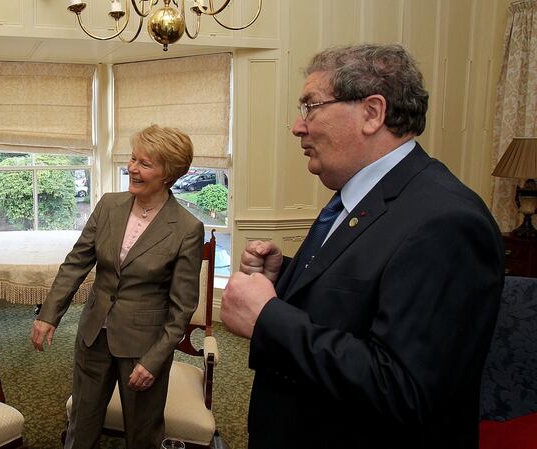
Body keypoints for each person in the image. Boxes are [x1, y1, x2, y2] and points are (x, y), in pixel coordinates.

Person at [221, 44, 504, 449]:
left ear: (372, 113)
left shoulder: (446, 221)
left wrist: (268, 318)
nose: (298, 127)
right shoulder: (364, 197)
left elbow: (404, 388)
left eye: (310, 107)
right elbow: (362, 295)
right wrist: (282, 278)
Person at [31, 124, 204, 449]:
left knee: (142, 432)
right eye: (133, 158)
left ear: (168, 173)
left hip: (143, 346)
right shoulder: (109, 205)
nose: (132, 168)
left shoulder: (186, 228)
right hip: (94, 334)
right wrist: (48, 314)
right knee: (81, 423)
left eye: (145, 163)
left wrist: (154, 360)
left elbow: (182, 308)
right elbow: (76, 263)